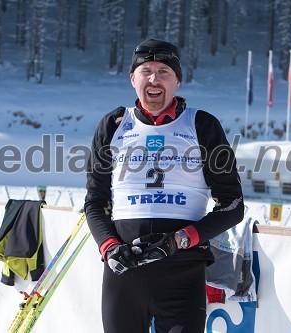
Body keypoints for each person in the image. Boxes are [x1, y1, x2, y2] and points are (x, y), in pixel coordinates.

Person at [84, 38, 244, 333]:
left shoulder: (202, 125)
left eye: (164, 72)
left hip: (181, 271)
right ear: (133, 79)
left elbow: (232, 206)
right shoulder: (114, 124)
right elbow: (95, 202)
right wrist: (109, 247)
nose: (154, 79)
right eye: (146, 71)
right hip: (124, 270)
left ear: (178, 81)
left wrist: (178, 241)